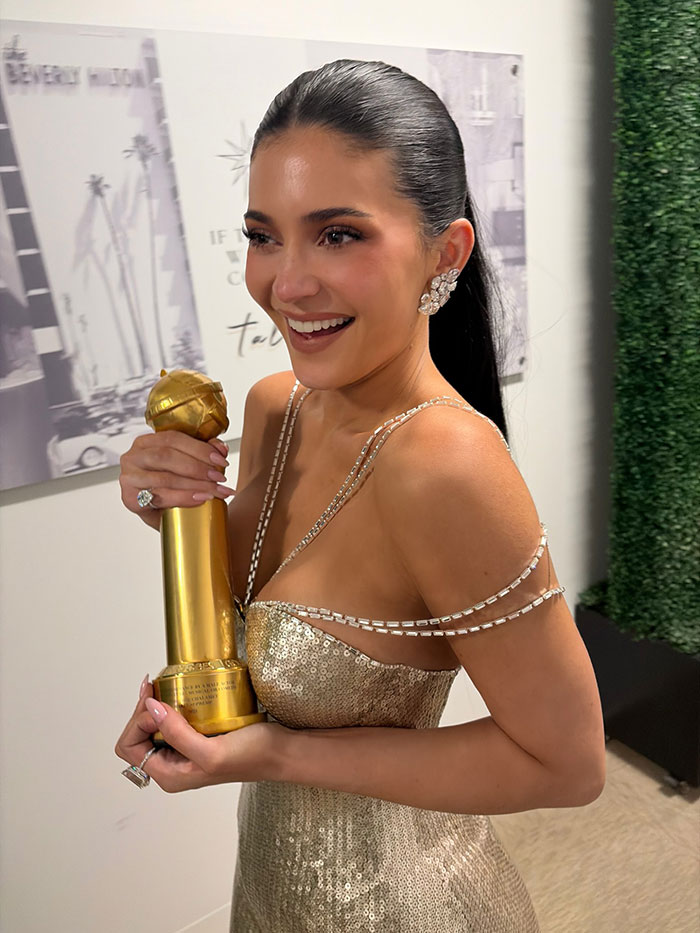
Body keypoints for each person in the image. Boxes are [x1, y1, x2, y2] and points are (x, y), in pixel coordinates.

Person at [115, 59, 605, 932]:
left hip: (406, 904)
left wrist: (280, 754)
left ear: (444, 253)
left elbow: (567, 766)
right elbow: (253, 636)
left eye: (338, 234)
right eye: (264, 236)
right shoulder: (276, 407)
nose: (287, 283)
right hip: (274, 886)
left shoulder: (445, 464)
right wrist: (168, 503)